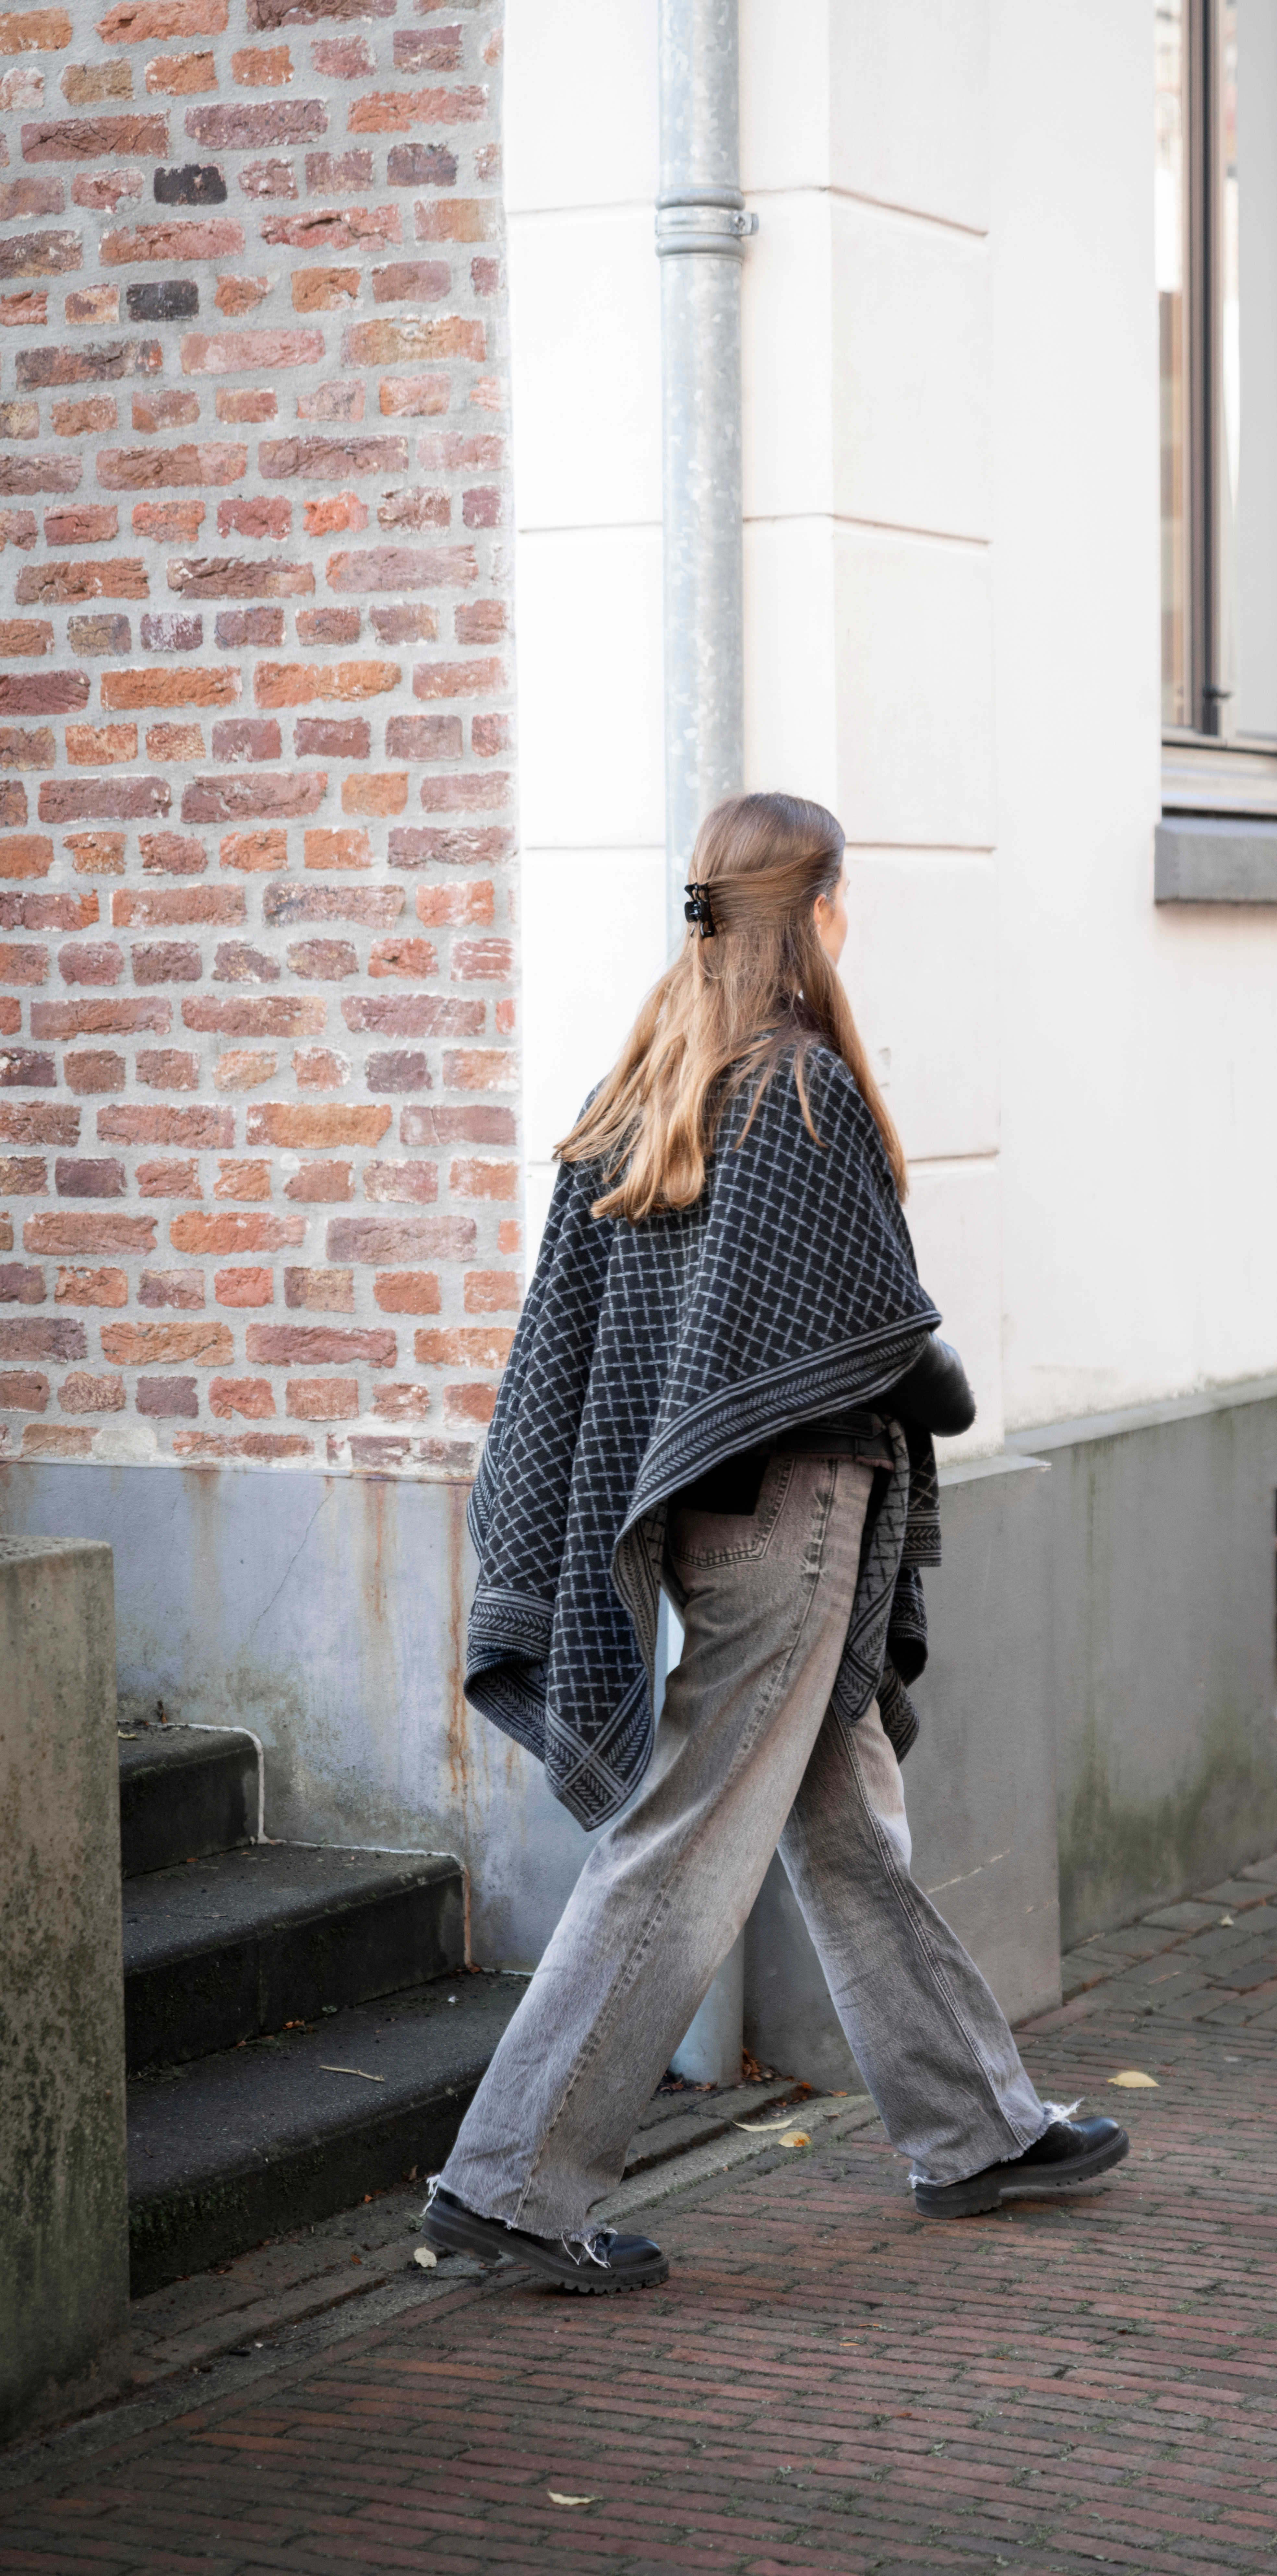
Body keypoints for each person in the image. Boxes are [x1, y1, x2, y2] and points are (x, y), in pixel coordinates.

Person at [423, 793, 1128, 2292]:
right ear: (810, 911)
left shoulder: (639, 1094)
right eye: (843, 897)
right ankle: (509, 2187)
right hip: (796, 1522)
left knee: (843, 1830)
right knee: (686, 1844)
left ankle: (978, 2131)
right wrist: (940, 1369)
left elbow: (610, 1350)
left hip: (706, 1526)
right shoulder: (797, 1091)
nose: (848, 921)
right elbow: (879, 1343)